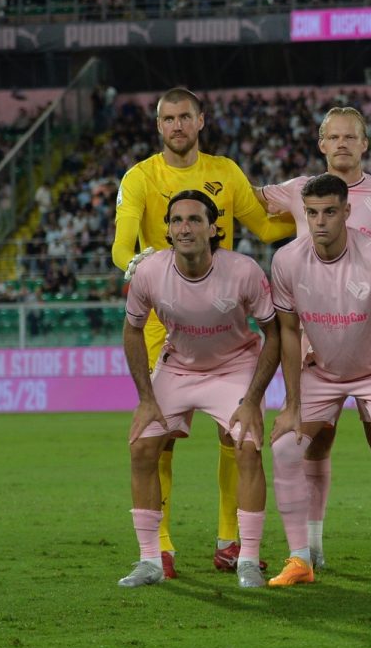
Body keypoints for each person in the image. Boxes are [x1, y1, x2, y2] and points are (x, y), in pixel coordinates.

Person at [112, 86, 296, 579]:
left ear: (200, 121)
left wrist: (309, 207)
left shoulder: (226, 172)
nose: (176, 125)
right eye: (168, 118)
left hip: (227, 318)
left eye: (184, 117)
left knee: (233, 434)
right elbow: (122, 241)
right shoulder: (139, 177)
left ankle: (231, 541)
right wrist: (138, 264)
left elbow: (266, 229)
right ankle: (161, 548)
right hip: (164, 319)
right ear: (158, 125)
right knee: (158, 440)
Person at [257, 106, 371, 571]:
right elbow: (243, 200)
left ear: (365, 144)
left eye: (352, 136)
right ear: (322, 143)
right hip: (318, 347)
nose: (343, 143)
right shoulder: (299, 192)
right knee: (308, 444)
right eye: (335, 136)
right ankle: (307, 550)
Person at [118, 190, 281, 588]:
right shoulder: (149, 272)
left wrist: (253, 400)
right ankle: (150, 560)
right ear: (168, 231)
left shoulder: (243, 271)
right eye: (176, 221)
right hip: (180, 367)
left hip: (234, 366)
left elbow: (274, 335)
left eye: (194, 220)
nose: (184, 227)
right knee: (141, 445)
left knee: (247, 444)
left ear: (214, 229)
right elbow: (133, 330)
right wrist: (145, 399)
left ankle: (247, 559)